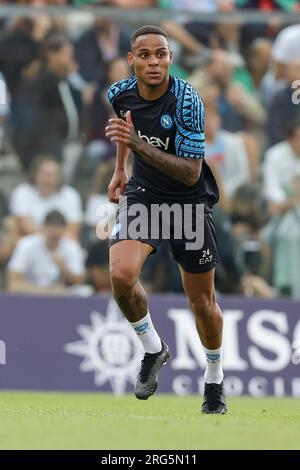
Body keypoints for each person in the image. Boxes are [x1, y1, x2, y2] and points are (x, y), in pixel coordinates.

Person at [105, 25, 227, 414]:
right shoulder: (118, 94)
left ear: (171, 58)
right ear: (132, 60)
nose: (154, 62)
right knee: (122, 275)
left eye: (161, 54)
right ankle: (153, 349)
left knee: (202, 304)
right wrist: (120, 170)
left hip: (188, 202)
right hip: (145, 196)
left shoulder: (188, 101)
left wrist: (138, 145)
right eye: (145, 55)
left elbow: (191, 173)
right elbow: (125, 132)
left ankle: (214, 382)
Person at [7, 210, 86, 295]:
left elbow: (81, 281)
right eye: (51, 228)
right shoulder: (26, 245)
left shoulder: (71, 247)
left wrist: (64, 269)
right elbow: (13, 284)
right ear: (43, 227)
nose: (54, 233)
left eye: (58, 229)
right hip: (30, 298)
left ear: (64, 229)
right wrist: (46, 292)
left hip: (61, 300)